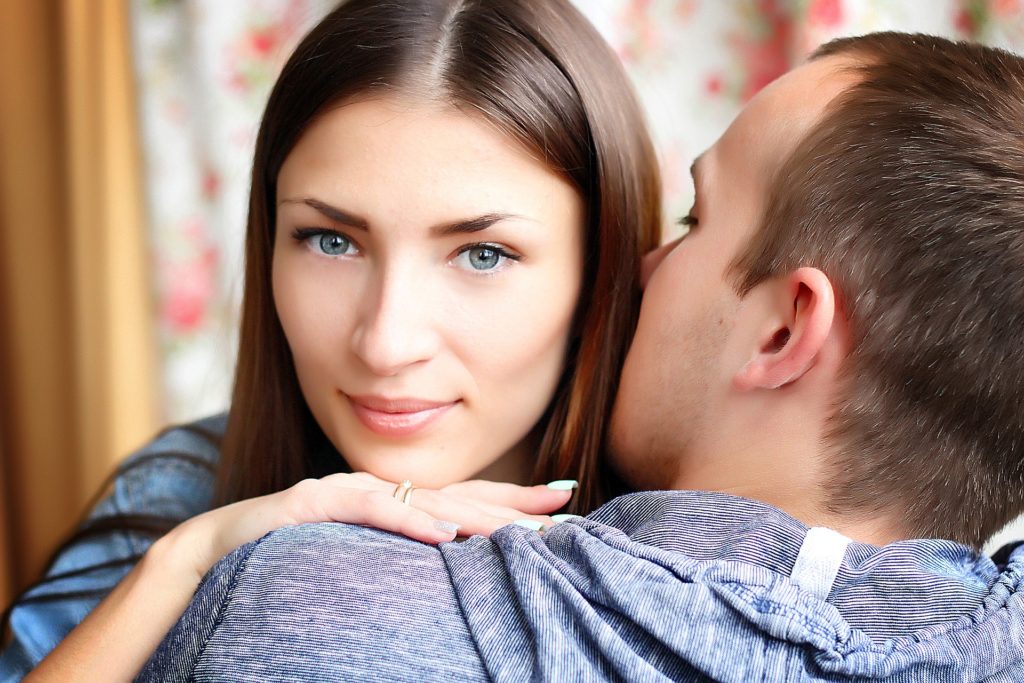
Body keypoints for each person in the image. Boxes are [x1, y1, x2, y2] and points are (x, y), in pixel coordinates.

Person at [139, 32, 1024, 682]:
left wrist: (199, 569)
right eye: (329, 238)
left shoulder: (301, 610)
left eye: (693, 224)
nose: (642, 270)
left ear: (785, 332)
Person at [1, 0, 662, 679]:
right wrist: (188, 559)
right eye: (331, 240)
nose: (385, 342)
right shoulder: (179, 493)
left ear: (598, 272)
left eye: (482, 254)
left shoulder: (687, 563)